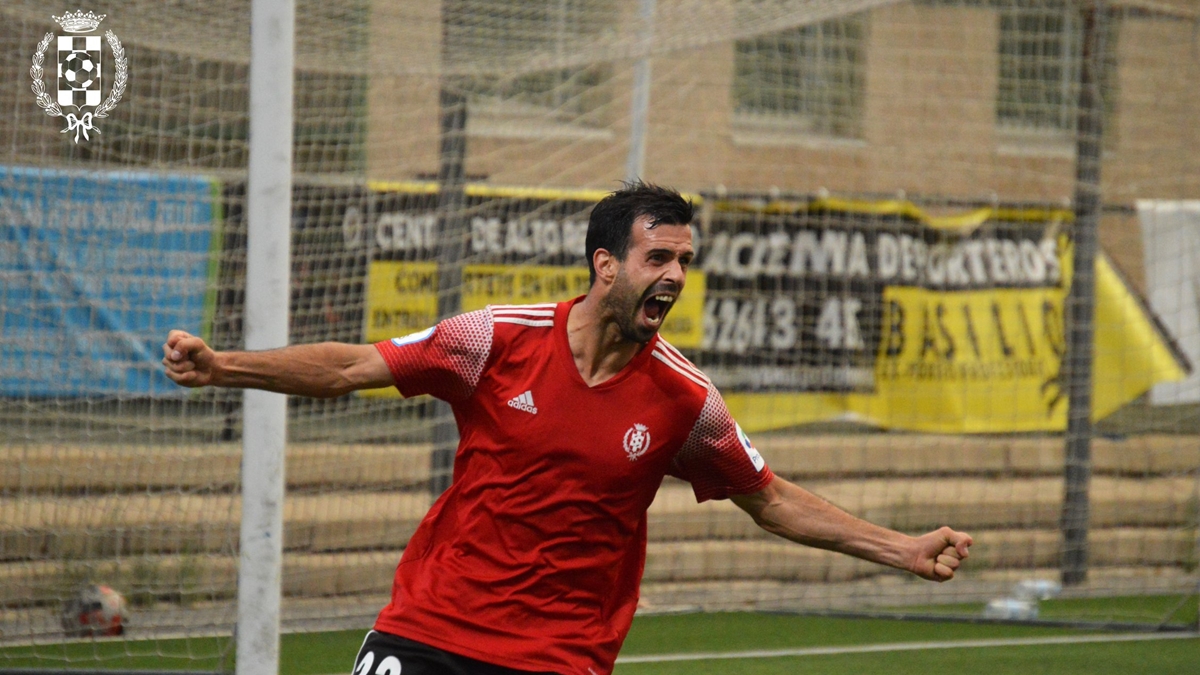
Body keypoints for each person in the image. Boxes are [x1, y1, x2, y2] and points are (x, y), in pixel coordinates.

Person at [163, 182, 972, 675]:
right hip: (431, 625)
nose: (676, 278)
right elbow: (351, 368)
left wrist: (899, 549)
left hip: (557, 654)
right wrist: (225, 365)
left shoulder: (685, 399)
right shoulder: (492, 340)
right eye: (659, 258)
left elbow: (769, 499)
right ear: (605, 264)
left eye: (685, 261)